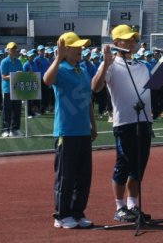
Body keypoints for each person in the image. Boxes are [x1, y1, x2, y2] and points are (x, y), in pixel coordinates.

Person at [91, 24, 162, 224]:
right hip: (125, 122)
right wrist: (105, 63)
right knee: (124, 165)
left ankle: (133, 206)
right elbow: (95, 87)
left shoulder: (141, 65)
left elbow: (156, 85)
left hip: (144, 121)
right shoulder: (111, 64)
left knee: (139, 167)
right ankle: (119, 207)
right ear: (116, 43)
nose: (132, 42)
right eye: (127, 39)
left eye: (133, 39)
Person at [43, 31, 96, 229]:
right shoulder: (61, 69)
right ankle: (61, 215)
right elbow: (47, 81)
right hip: (66, 131)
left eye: (81, 47)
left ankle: (77, 212)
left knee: (83, 176)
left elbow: (88, 99)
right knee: (65, 175)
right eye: (77, 47)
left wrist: (92, 124)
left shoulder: (82, 70)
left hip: (82, 130)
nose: (81, 50)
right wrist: (57, 58)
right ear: (66, 50)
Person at [0, 42, 25, 137]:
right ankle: (5, 129)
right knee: (7, 110)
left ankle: (15, 129)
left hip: (17, 89)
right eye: (12, 49)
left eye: (15, 49)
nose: (14, 51)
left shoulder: (18, 62)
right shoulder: (4, 62)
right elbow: (3, 76)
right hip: (7, 89)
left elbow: (21, 74)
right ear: (8, 51)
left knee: (17, 110)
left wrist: (20, 74)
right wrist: (14, 76)